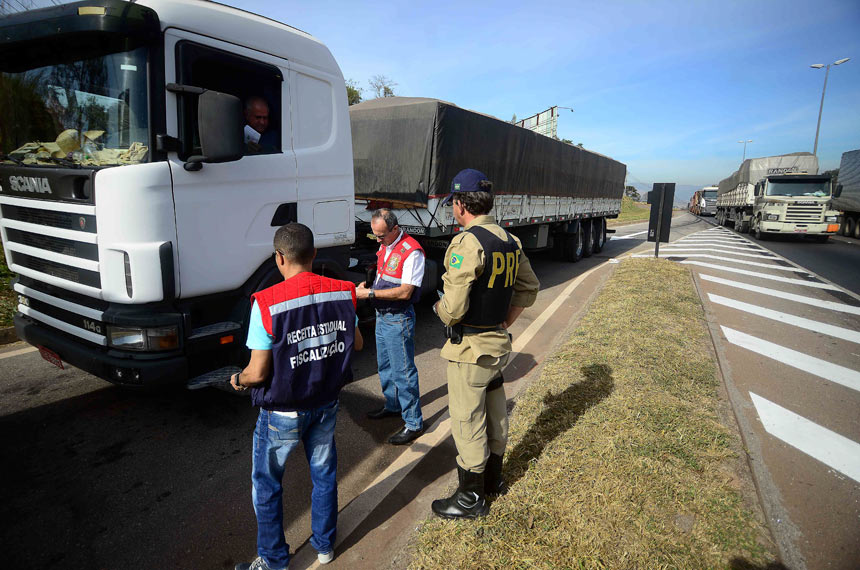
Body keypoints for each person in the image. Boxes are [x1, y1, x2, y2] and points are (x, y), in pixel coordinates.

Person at [232, 223, 363, 570]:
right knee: (324, 474)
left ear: (279, 257)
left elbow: (257, 373)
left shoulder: (266, 303)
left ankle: (275, 561)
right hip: (326, 403)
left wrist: (237, 380)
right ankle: (324, 546)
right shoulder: (343, 291)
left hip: (282, 413)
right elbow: (359, 344)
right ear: (314, 254)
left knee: (267, 485)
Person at [431, 168, 540, 520]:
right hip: (497, 345)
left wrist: (439, 309)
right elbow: (529, 288)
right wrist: (505, 322)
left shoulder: (467, 242)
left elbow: (455, 308)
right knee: (496, 413)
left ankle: (469, 499)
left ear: (461, 204)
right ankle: (494, 480)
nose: (453, 210)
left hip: (471, 350)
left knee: (467, 421)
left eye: (453, 204)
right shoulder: (510, 240)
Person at [355, 208, 426, 445]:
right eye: (375, 235)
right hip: (382, 315)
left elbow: (406, 291)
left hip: (398, 317)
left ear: (395, 229)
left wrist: (370, 293)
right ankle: (393, 405)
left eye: (381, 235)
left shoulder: (412, 251)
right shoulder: (386, 244)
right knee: (385, 367)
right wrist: (368, 284)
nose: (378, 240)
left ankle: (414, 422)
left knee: (403, 372)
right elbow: (385, 273)